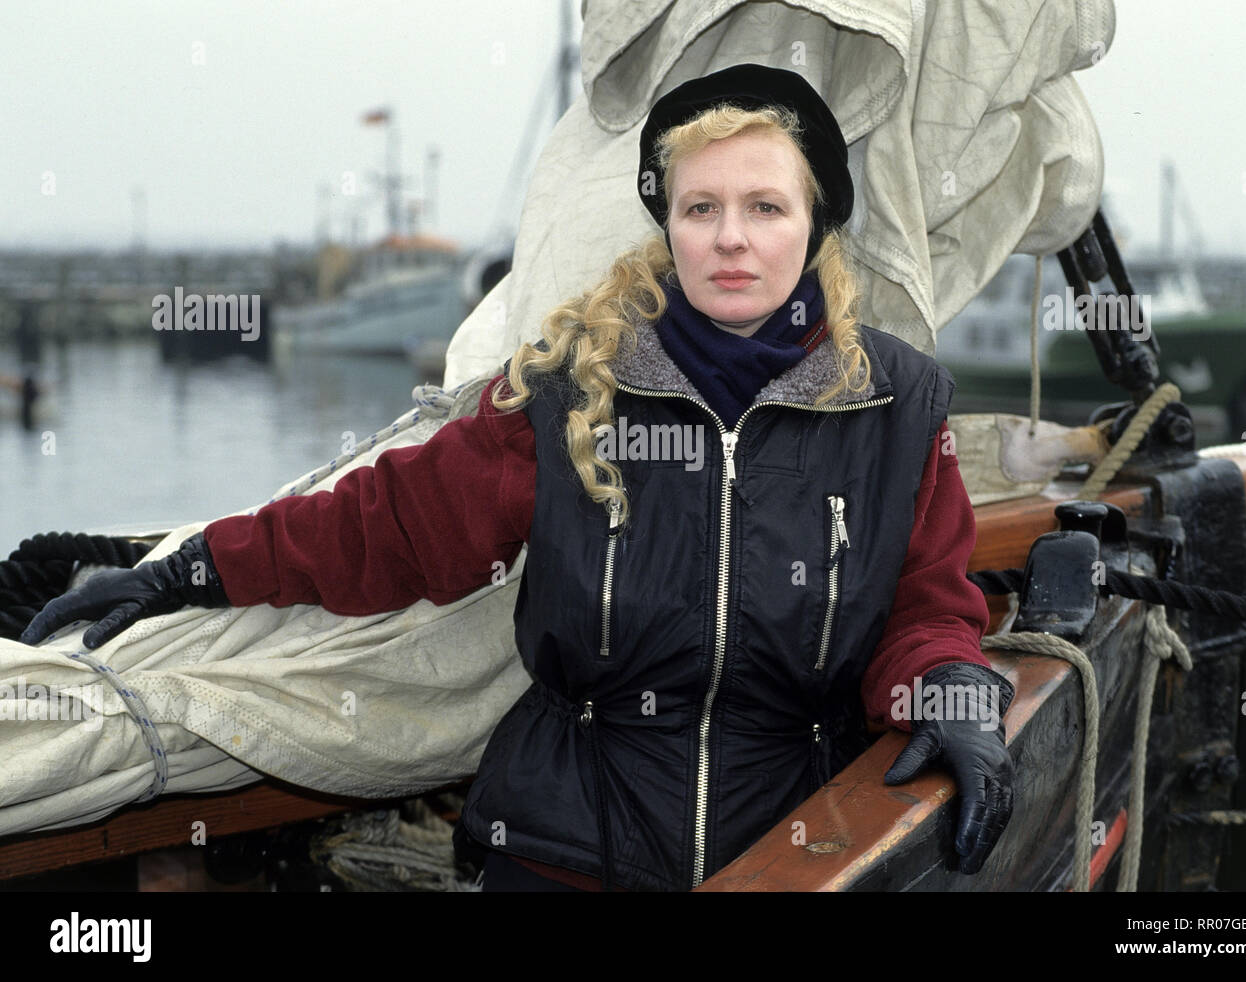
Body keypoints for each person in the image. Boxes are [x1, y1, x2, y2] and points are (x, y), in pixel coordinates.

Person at [20, 64, 1015, 892]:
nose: (731, 237)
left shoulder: (896, 406)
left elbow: (926, 609)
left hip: (798, 840)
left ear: (814, 222)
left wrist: (957, 701)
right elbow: (387, 524)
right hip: (563, 846)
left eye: (765, 206)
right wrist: (191, 569)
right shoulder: (568, 386)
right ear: (664, 222)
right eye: (700, 206)